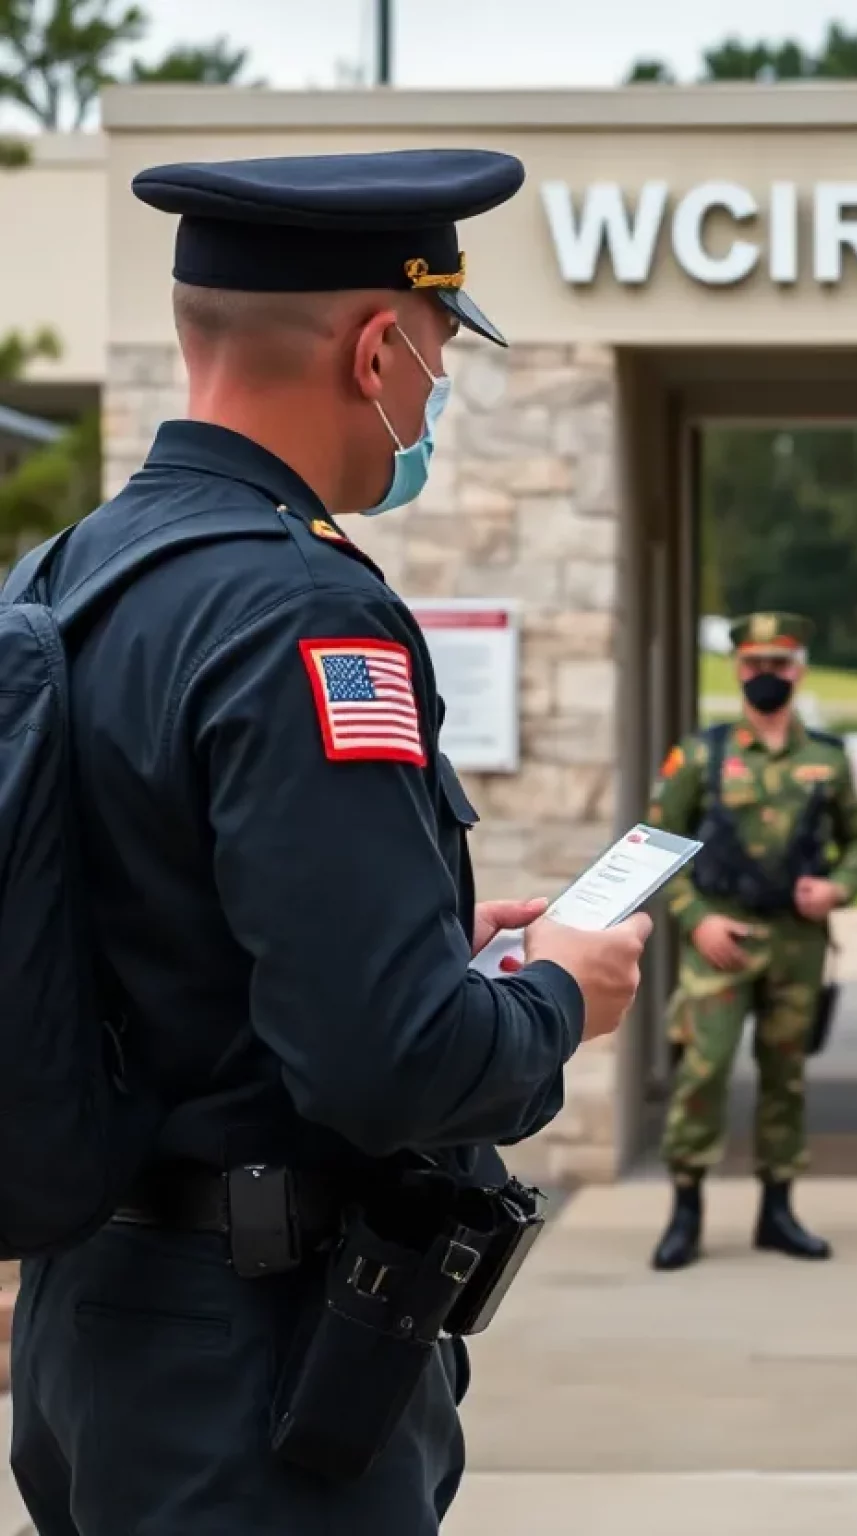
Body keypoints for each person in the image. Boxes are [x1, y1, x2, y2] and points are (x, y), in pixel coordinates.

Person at [6, 149, 651, 1535]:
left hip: (93, 1332)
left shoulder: (69, 577)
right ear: (377, 351)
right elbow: (388, 1065)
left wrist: (426, 944)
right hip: (254, 1364)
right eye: (436, 355)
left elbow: (148, 929)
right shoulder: (301, 613)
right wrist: (559, 997)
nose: (438, 395)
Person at [647, 613, 857, 1271]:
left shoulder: (827, 760)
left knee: (786, 1078)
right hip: (721, 937)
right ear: (738, 670)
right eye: (754, 665)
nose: (767, 677)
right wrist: (697, 920)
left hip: (795, 941)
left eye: (779, 665)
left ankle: (778, 1209)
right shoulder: (702, 754)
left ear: (798, 671)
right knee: (704, 1070)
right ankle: (685, 1207)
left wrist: (837, 887)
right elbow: (657, 846)